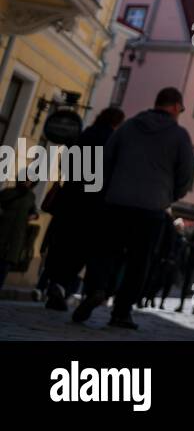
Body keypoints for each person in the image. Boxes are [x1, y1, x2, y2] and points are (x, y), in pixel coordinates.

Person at [72, 88, 194, 329]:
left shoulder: (128, 127)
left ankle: (96, 289)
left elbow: (106, 159)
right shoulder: (180, 136)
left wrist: (109, 190)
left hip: (117, 201)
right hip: (152, 207)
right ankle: (121, 311)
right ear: (174, 107)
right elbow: (186, 173)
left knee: (105, 251)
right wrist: (170, 196)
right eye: (180, 109)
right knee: (139, 261)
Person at [43, 107, 125, 310]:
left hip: (70, 199)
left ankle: (57, 285)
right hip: (94, 204)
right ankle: (80, 289)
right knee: (82, 248)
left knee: (61, 244)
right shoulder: (113, 141)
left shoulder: (82, 135)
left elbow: (65, 164)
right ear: (117, 123)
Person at [0, 180, 38, 292]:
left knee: (4, 267)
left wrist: (33, 215)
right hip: (2, 231)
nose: (27, 182)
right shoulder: (8, 192)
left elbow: (33, 211)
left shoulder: (30, 196)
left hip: (16, 237)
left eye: (30, 181)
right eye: (25, 179)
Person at [141, 213, 185, 308]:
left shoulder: (182, 239)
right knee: (158, 282)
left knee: (167, 284)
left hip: (174, 264)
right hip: (165, 261)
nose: (178, 228)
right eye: (177, 226)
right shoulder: (170, 234)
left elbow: (182, 253)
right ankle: (149, 298)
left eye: (180, 227)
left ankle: (160, 302)